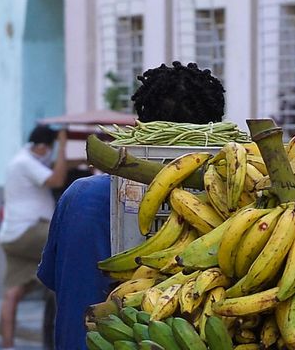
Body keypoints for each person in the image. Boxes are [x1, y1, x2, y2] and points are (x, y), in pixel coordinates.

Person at [37, 61, 227, 349]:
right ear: (217, 130)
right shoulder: (236, 207)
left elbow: (54, 281)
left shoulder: (80, 197)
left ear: (138, 125)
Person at [0, 124, 71, 350]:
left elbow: (58, 168)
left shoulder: (23, 159)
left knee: (13, 292)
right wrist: (63, 146)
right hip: (29, 232)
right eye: (51, 148)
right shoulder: (26, 163)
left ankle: (8, 346)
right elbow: (58, 179)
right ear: (43, 147)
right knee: (68, 246)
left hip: (12, 236)